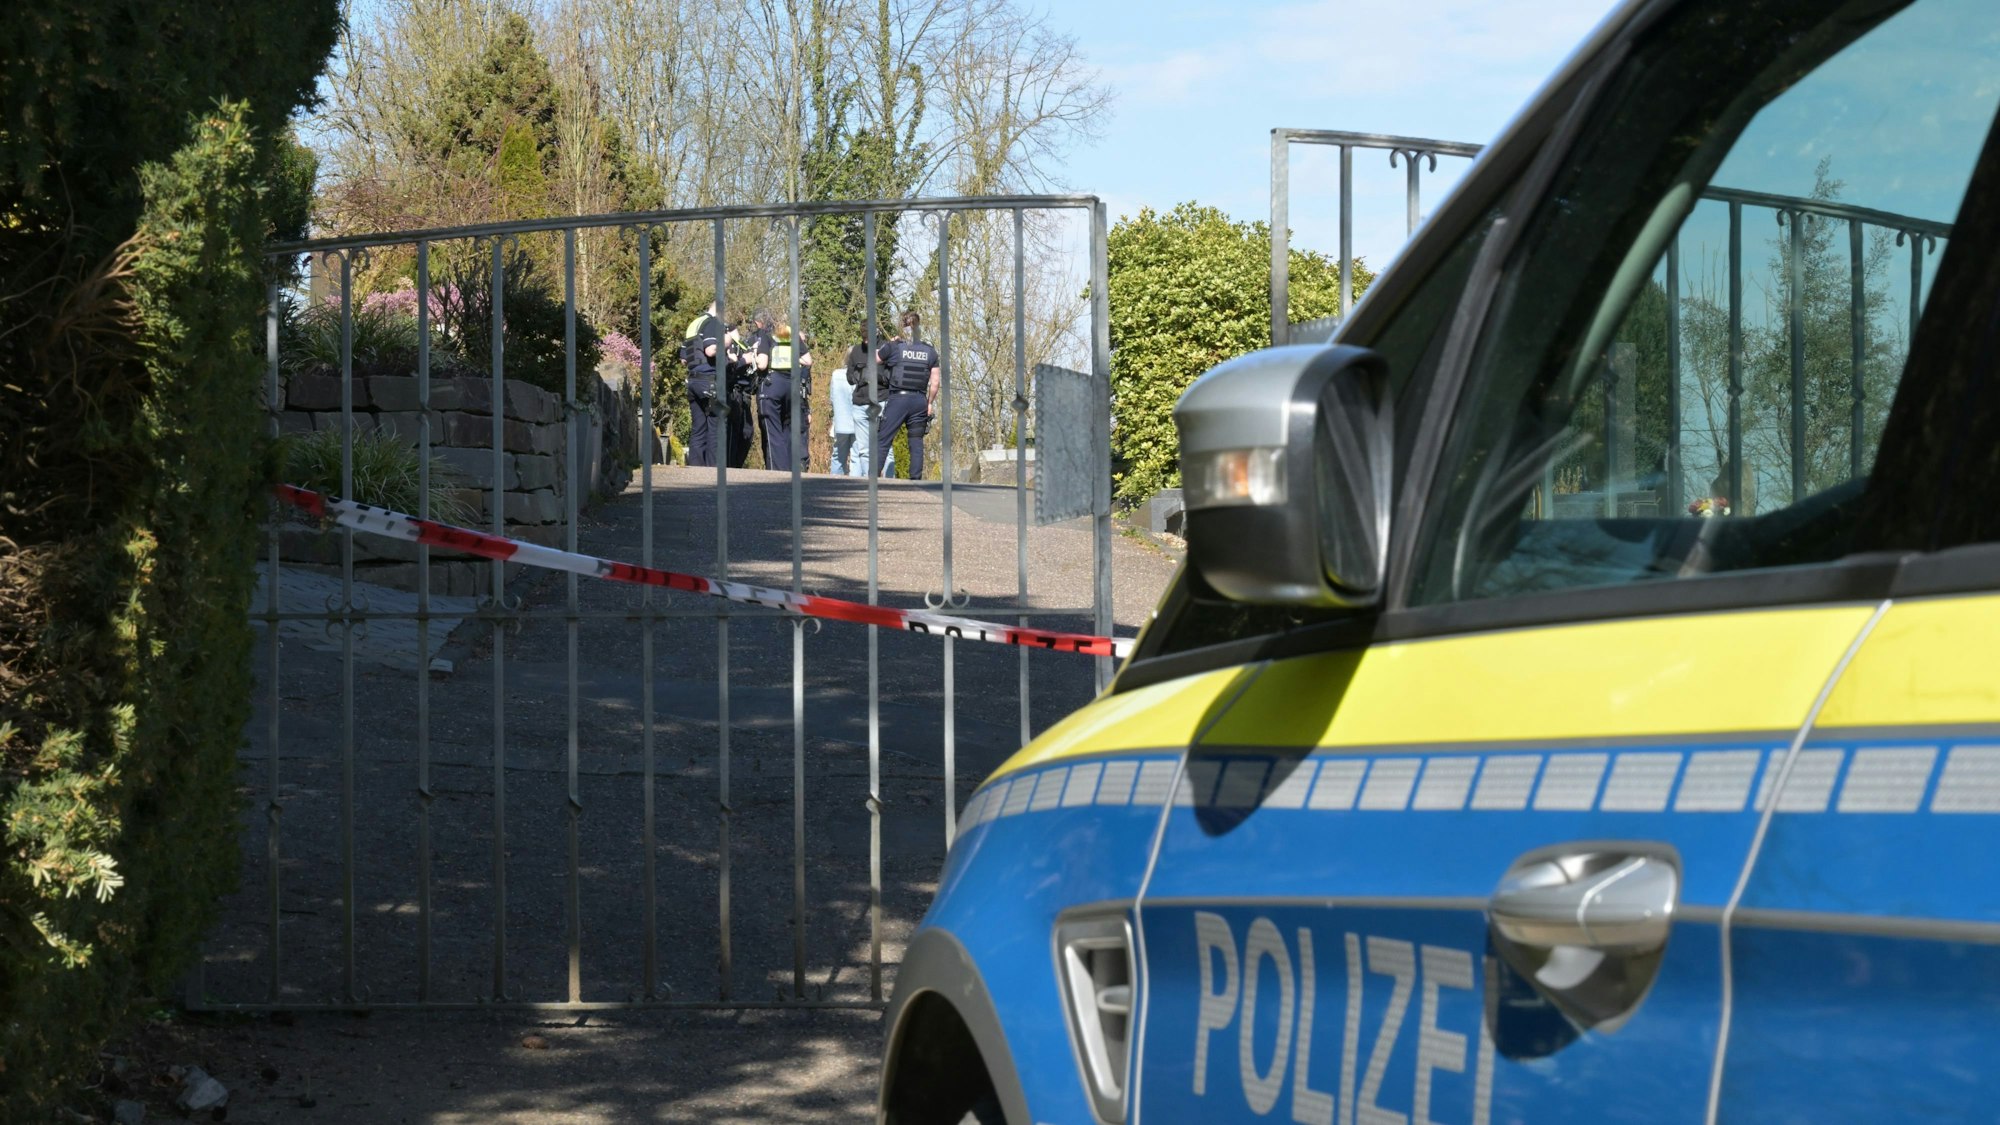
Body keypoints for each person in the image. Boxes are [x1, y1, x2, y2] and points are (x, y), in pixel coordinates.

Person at [874, 310, 939, 479]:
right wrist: (929, 403)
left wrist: (889, 343)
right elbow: (935, 382)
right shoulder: (930, 351)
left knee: (883, 440)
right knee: (916, 443)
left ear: (902, 327)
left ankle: (873, 477)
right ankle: (916, 481)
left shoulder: (894, 347)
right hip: (919, 400)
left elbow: (874, 359)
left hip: (898, 399)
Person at [679, 301, 726, 466]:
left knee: (698, 428)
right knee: (716, 425)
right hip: (709, 381)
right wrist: (726, 341)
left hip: (693, 381)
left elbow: (684, 359)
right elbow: (711, 350)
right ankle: (713, 471)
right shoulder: (713, 322)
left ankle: (696, 470)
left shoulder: (694, 324)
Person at [753, 314, 801, 472]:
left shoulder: (766, 336)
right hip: (792, 386)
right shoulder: (792, 337)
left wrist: (753, 355)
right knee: (787, 429)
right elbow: (807, 360)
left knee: (773, 431)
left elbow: (762, 364)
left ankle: (777, 472)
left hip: (772, 385)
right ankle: (790, 469)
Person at [845, 341, 895, 478]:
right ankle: (871, 480)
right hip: (865, 402)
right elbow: (850, 378)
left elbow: (893, 376)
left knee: (884, 447)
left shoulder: (886, 348)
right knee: (866, 449)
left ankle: (888, 482)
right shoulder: (857, 350)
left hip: (880, 401)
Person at [719, 313, 758, 468]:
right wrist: (742, 360)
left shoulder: (742, 344)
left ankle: (736, 465)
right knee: (732, 433)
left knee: (746, 434)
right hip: (733, 391)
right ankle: (730, 466)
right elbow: (730, 367)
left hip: (744, 394)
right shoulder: (727, 345)